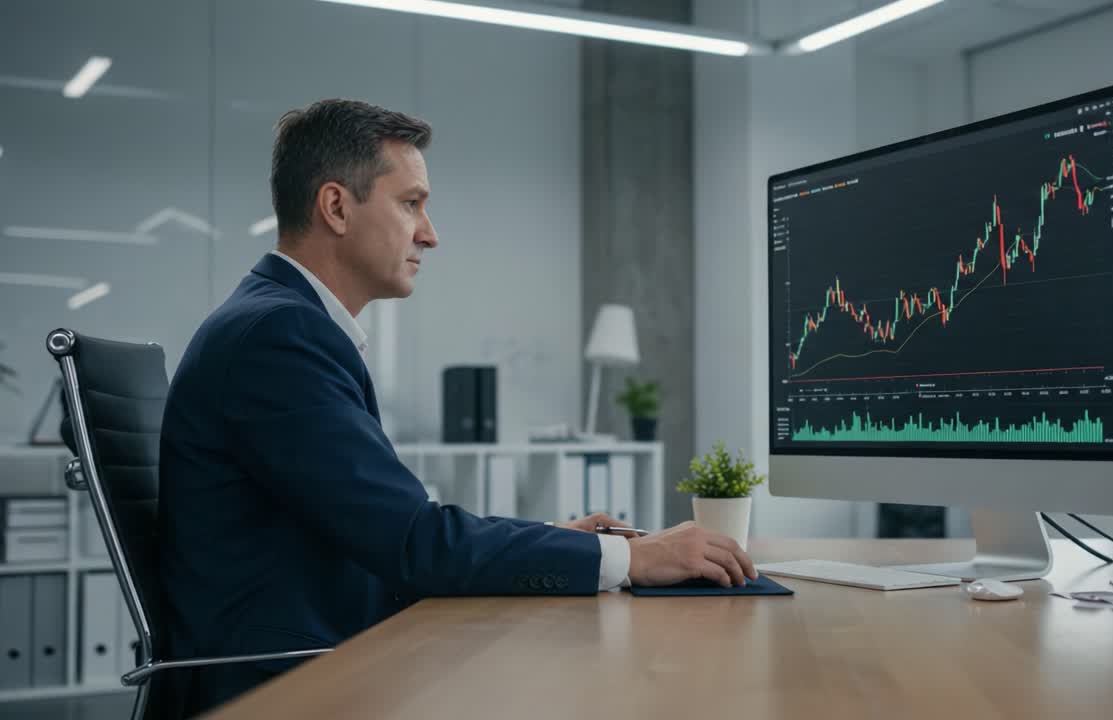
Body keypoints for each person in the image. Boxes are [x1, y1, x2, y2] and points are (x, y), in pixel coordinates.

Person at [157, 98, 755, 716]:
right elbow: (416, 544)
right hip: (276, 687)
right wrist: (633, 558)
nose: (429, 233)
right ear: (336, 207)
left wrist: (552, 541)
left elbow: (393, 529)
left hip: (320, 653)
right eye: (410, 203)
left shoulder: (279, 323)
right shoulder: (279, 338)